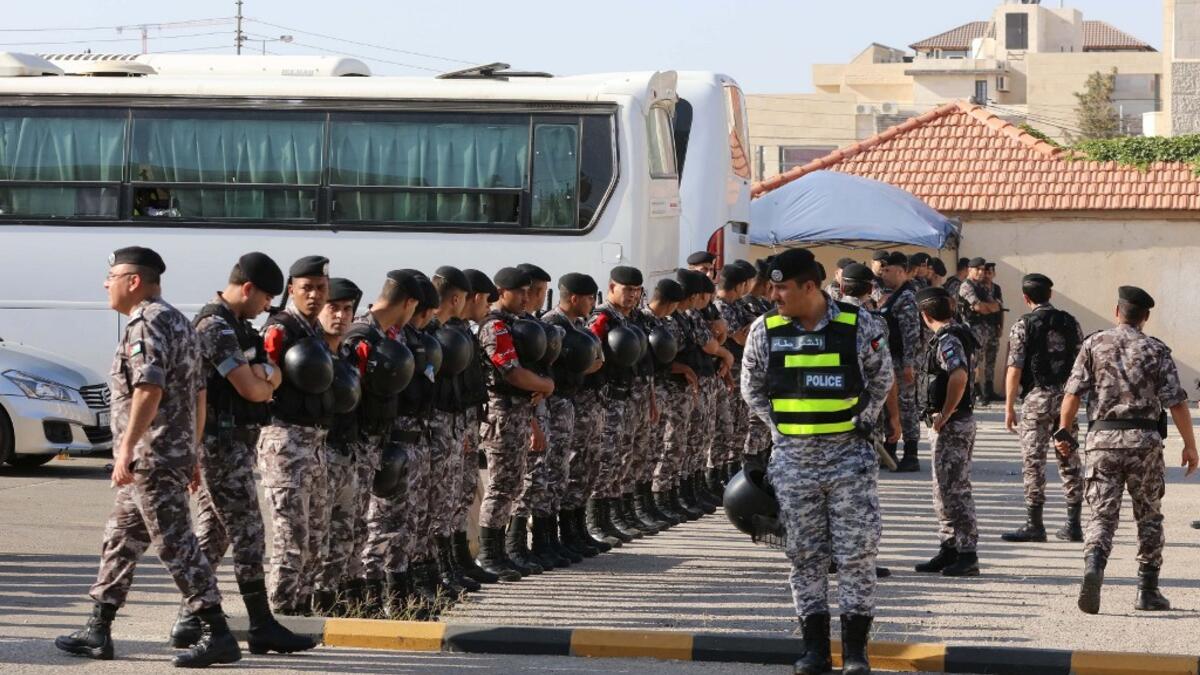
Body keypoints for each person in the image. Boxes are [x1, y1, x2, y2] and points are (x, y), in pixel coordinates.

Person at [57, 247, 240, 667]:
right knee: (120, 541)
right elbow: (198, 394)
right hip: (165, 455)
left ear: (133, 281)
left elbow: (149, 388)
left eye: (112, 276)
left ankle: (218, 633)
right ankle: (97, 628)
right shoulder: (178, 321)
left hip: (151, 458)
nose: (106, 284)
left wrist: (125, 448)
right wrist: (191, 453)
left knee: (176, 544)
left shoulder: (146, 323)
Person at [741, 248, 892, 675]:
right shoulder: (764, 330)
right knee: (805, 556)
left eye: (782, 287)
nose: (774, 295)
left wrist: (861, 421)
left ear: (809, 286)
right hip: (793, 463)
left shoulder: (859, 323)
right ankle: (814, 651)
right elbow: (751, 388)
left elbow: (882, 376)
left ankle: (857, 652)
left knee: (856, 555)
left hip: (849, 460)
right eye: (772, 286)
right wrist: (783, 429)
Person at [178, 252, 314, 654]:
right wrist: (264, 379)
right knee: (249, 534)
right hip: (218, 446)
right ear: (247, 288)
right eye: (265, 298)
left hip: (235, 444)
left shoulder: (239, 326)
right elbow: (254, 387)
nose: (268, 308)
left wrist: (264, 377)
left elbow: (271, 371)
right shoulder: (214, 326)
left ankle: (189, 620)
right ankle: (260, 624)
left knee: (214, 536)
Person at [1055, 286, 1198, 615]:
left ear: (1116, 311)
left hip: (1102, 440)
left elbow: (1073, 394)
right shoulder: (1156, 350)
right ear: (1145, 317)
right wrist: (1190, 445)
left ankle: (1094, 564)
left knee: (1102, 515)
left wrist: (1063, 432)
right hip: (1143, 443)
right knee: (1149, 516)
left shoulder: (1093, 344)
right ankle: (1147, 591)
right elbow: (1175, 401)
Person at [257, 256, 336, 616]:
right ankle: (283, 611)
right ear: (292, 289)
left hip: (315, 443)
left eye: (321, 288)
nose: (315, 295)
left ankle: (302, 609)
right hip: (286, 441)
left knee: (315, 535)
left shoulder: (313, 329)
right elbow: (264, 375)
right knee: (291, 536)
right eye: (307, 288)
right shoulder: (280, 328)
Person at [344, 270, 423, 614]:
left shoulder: (389, 335)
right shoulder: (362, 336)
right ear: (409, 303)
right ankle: (360, 600)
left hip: (379, 441)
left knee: (380, 524)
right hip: (359, 444)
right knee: (360, 525)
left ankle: (377, 599)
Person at [475, 267, 555, 580]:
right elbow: (513, 373)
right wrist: (546, 386)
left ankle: (505, 550)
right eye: (519, 292)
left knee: (513, 485)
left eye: (528, 291)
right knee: (501, 486)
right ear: (501, 291)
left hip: (519, 411)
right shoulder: (494, 327)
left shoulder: (515, 323)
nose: (525, 298)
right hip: (503, 413)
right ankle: (489, 554)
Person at [1001, 274, 1085, 544]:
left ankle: (1034, 524)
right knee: (1068, 457)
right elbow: (1081, 361)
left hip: (1037, 400)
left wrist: (1009, 406)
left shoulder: (1023, 325)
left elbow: (1014, 368)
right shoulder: (1070, 322)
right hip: (1066, 402)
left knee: (1033, 460)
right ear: (1050, 294)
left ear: (1026, 298)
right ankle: (1073, 524)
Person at [913, 287, 981, 578]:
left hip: (953, 425)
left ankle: (967, 553)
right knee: (943, 489)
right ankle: (949, 547)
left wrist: (945, 413)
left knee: (955, 490)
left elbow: (960, 375)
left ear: (924, 314)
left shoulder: (948, 339)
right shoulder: (958, 332)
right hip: (954, 423)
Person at [425, 266, 482, 593]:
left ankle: (451, 566)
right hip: (436, 427)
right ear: (457, 298)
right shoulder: (430, 333)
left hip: (456, 424)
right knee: (437, 503)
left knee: (453, 499)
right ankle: (437, 571)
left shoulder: (456, 331)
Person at [542, 273, 607, 556]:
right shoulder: (551, 325)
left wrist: (581, 366)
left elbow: (598, 360)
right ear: (574, 298)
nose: (593, 303)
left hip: (576, 404)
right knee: (554, 472)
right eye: (590, 298)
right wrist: (581, 366)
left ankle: (574, 530)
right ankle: (549, 538)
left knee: (582, 468)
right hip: (555, 404)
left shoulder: (580, 326)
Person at [312, 278, 363, 614]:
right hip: (314, 454)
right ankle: (304, 605)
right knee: (313, 535)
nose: (341, 316)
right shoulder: (306, 350)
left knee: (345, 533)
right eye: (334, 307)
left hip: (345, 451)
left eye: (347, 310)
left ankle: (332, 603)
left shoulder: (347, 352)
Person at [588, 266, 649, 540]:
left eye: (637, 291)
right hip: (606, 397)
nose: (633, 296)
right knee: (605, 459)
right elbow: (591, 353)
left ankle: (612, 516)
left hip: (628, 396)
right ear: (612, 288)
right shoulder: (602, 318)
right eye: (627, 290)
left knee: (623, 458)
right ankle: (596, 521)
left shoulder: (633, 318)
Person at [878, 252, 923, 471]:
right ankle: (891, 450)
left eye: (887, 270)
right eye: (882, 270)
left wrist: (908, 364)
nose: (883, 274)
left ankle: (911, 453)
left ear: (900, 271)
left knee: (906, 406)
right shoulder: (893, 295)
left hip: (902, 360)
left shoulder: (907, 296)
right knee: (892, 407)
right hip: (891, 360)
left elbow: (911, 334)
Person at [956, 258, 1001, 405]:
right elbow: (978, 307)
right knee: (973, 362)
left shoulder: (980, 287)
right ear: (970, 270)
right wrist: (988, 307)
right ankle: (973, 393)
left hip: (984, 328)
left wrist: (987, 307)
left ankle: (983, 391)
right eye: (978, 269)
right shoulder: (966, 286)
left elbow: (997, 306)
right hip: (972, 328)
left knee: (981, 361)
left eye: (983, 269)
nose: (981, 272)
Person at [982, 262, 1005, 401]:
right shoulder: (978, 288)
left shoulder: (996, 288)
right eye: (986, 272)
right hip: (980, 327)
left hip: (992, 326)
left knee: (991, 359)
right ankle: (978, 391)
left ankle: (989, 390)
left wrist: (1000, 326)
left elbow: (1000, 308)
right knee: (977, 359)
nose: (988, 275)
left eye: (990, 272)